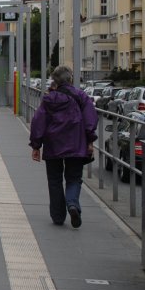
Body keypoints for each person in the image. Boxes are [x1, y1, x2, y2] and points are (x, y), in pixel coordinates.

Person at [29, 65, 97, 228]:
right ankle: (72, 204)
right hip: (76, 144)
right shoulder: (81, 96)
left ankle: (58, 216)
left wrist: (36, 145)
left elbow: (38, 122)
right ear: (70, 79)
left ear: (55, 81)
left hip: (53, 145)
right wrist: (90, 141)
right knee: (74, 178)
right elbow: (90, 119)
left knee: (54, 180)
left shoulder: (48, 99)